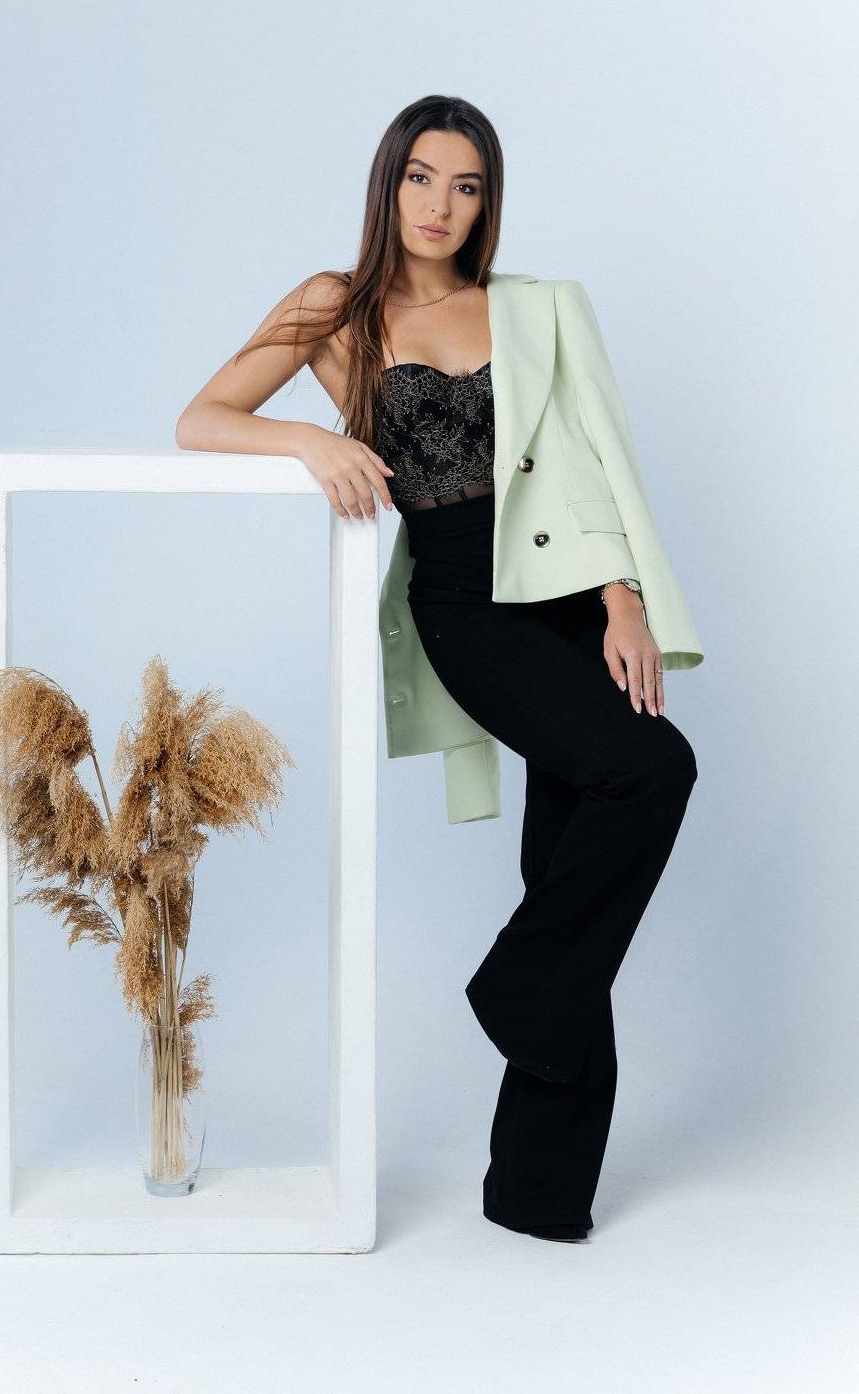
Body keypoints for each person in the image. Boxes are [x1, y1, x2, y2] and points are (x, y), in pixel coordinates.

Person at [175, 94, 703, 1243]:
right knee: (651, 769)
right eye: (423, 178)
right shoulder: (333, 305)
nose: (441, 206)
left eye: (466, 186)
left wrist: (623, 599)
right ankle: (517, 988)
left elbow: (595, 458)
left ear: (486, 203)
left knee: (573, 863)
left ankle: (536, 1193)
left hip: (571, 593)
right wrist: (310, 437)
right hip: (464, 601)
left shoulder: (534, 307)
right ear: (390, 182)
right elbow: (202, 418)